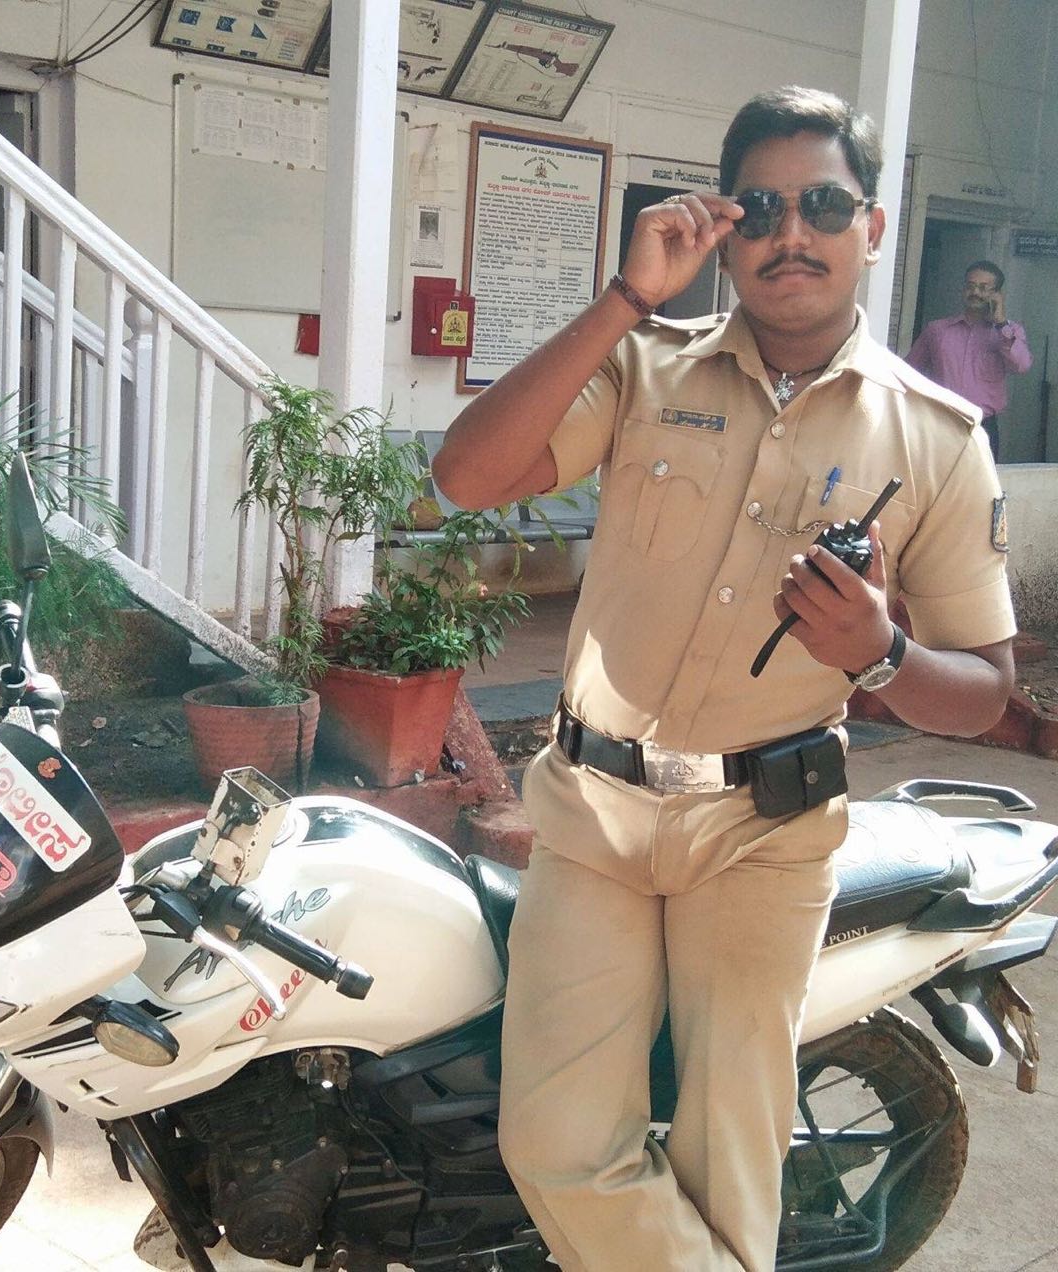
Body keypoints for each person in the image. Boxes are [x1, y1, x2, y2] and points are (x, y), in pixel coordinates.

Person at [433, 86, 1015, 1272]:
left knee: (727, 1162)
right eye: (759, 208)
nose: (789, 234)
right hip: (593, 816)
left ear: (871, 226)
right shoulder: (642, 366)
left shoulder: (937, 438)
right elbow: (466, 475)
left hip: (764, 833)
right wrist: (625, 296)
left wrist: (878, 653)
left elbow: (984, 691)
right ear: (724, 226)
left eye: (822, 207)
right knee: (556, 1144)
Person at [906, 260, 1032, 459]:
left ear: (997, 294)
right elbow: (908, 372)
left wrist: (1001, 323)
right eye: (971, 286)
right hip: (941, 422)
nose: (975, 292)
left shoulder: (1008, 333)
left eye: (983, 288)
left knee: (982, 480)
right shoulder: (937, 330)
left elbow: (1021, 365)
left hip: (982, 426)